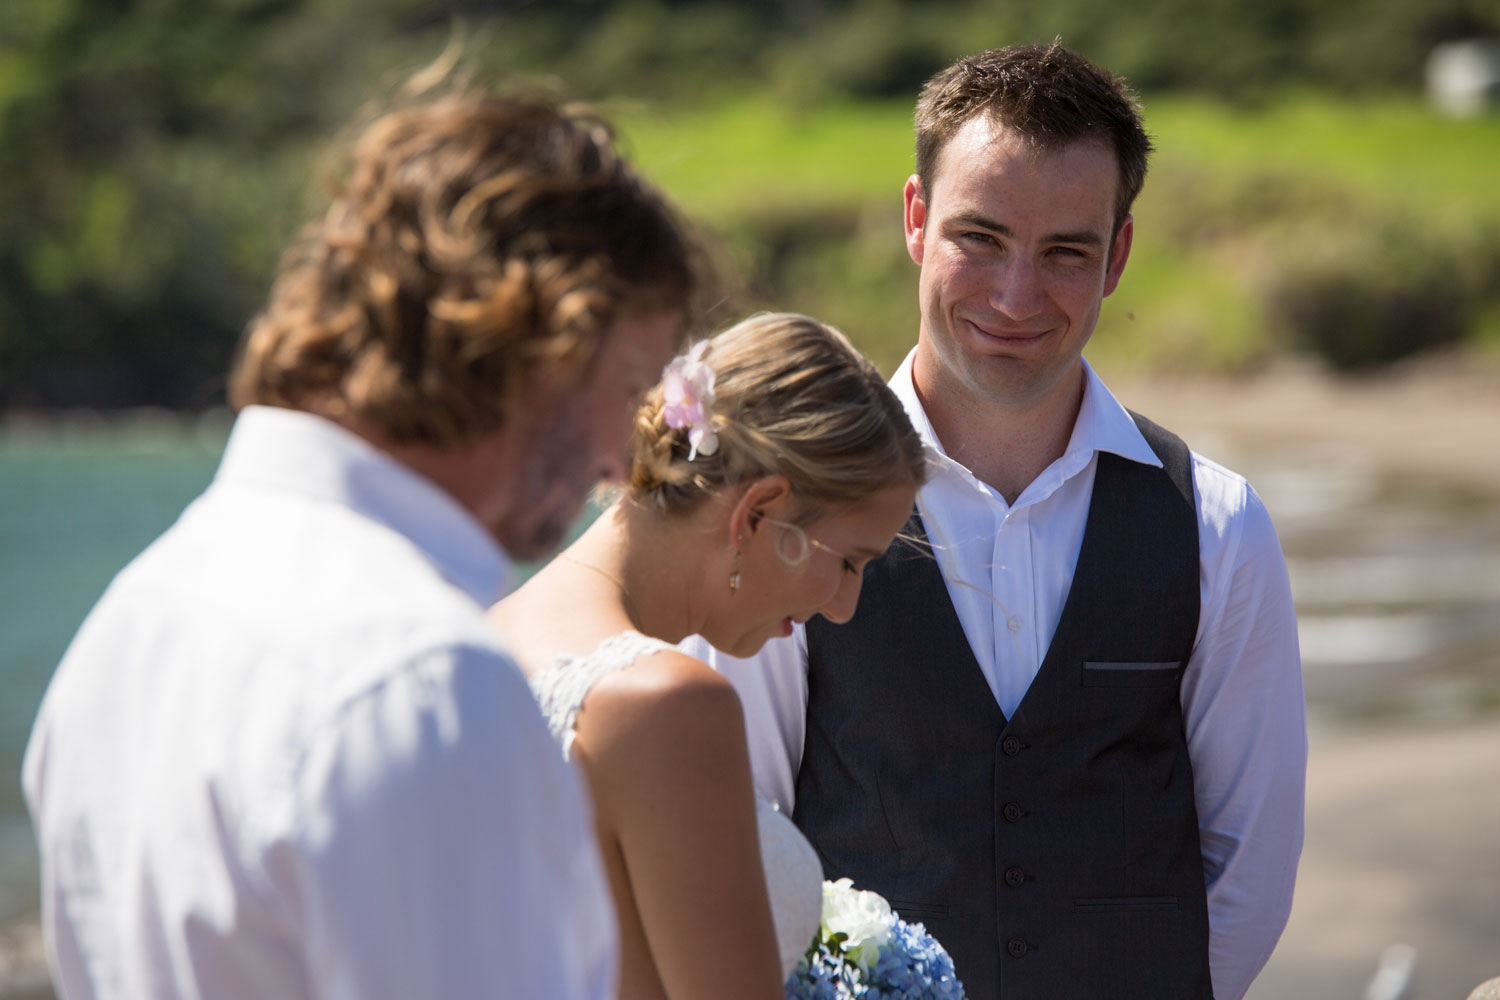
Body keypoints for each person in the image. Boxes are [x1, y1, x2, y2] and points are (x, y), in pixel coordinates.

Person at [22, 88, 699, 999]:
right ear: (545, 345)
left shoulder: (127, 626)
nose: (624, 462)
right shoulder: (424, 680)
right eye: (628, 391)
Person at [689, 42, 1307, 1000]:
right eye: (979, 238)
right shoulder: (785, 513)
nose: (1017, 297)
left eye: (1067, 251)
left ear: (1120, 258)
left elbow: (1250, 862)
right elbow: (744, 828)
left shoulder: (1216, 526)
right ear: (914, 219)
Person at [490, 312, 929, 1000]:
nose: (845, 606)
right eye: (848, 561)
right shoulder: (667, 704)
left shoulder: (486, 639)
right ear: (758, 512)